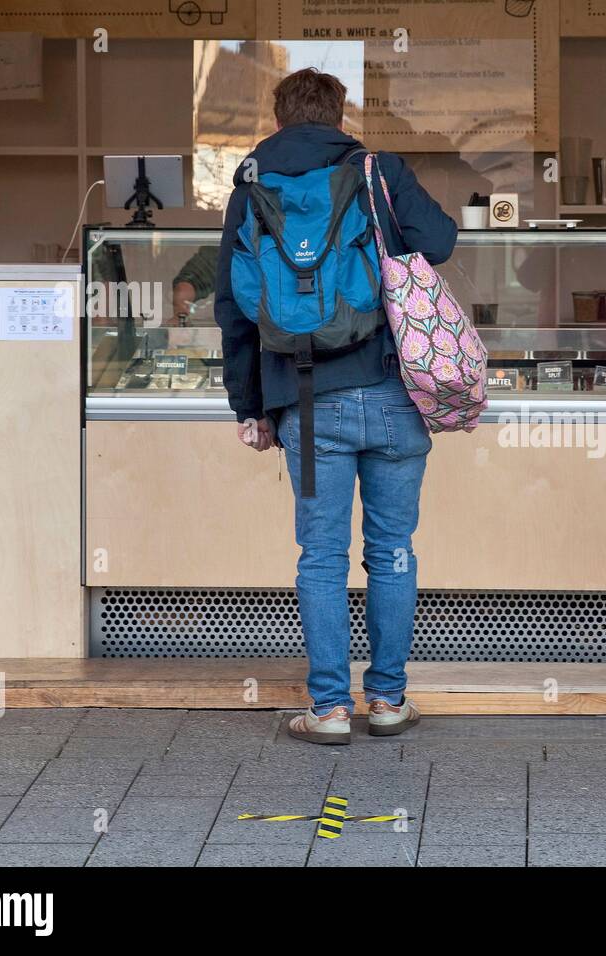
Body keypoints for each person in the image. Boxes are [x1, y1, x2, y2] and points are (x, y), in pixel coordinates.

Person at [214, 68, 458, 745]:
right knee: (392, 550)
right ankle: (386, 701)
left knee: (321, 556)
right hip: (389, 396)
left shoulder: (251, 180)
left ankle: (327, 710)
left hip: (305, 401)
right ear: (340, 113)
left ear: (280, 114)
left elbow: (232, 306)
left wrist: (252, 406)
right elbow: (438, 241)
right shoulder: (375, 169)